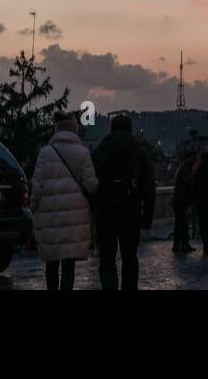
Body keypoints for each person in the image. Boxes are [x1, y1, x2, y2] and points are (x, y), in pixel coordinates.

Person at [29, 111, 98, 290]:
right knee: (69, 265)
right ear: (74, 131)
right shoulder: (83, 152)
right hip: (75, 217)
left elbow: (36, 185)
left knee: (51, 263)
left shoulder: (45, 153)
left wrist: (33, 206)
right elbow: (91, 186)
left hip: (49, 216)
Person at [90, 114, 155, 289]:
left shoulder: (99, 152)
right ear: (130, 129)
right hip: (131, 212)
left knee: (107, 259)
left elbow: (91, 184)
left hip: (105, 213)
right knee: (130, 258)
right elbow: (149, 187)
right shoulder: (139, 151)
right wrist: (147, 216)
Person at [171, 150, 197, 253]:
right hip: (180, 201)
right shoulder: (184, 169)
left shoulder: (185, 168)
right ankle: (179, 245)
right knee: (180, 224)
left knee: (182, 223)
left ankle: (182, 245)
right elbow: (188, 182)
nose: (194, 161)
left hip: (181, 201)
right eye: (193, 158)